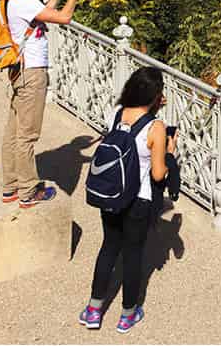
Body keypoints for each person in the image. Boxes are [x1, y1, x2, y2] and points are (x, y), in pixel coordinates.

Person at [80, 67, 176, 333]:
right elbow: (158, 174)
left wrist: (152, 103)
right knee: (133, 255)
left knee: (109, 247)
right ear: (156, 96)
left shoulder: (116, 114)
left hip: (111, 193)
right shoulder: (156, 128)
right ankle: (128, 314)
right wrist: (169, 152)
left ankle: (93, 309)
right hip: (138, 199)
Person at [0, 0, 83, 208]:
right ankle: (27, 191)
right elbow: (64, 18)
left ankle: (11, 185)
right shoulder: (24, 2)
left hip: (19, 71)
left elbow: (42, 14)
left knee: (14, 131)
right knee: (27, 135)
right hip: (32, 74)